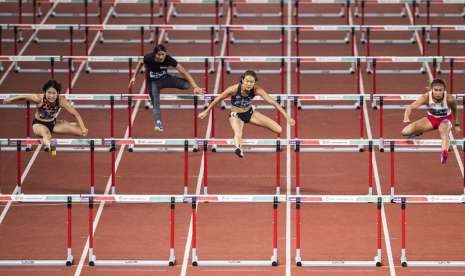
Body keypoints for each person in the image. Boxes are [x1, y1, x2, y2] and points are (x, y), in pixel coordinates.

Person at [198, 70, 295, 158]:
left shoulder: (257, 90)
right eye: (247, 81)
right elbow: (218, 99)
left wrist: (287, 117)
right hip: (236, 115)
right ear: (242, 80)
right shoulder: (234, 89)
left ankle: (240, 143)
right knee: (238, 132)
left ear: (254, 83)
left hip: (250, 113)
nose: (249, 84)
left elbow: (273, 102)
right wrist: (206, 111)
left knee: (279, 129)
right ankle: (238, 149)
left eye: (251, 82)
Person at [128, 44, 205, 132]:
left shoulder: (168, 59)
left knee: (187, 85)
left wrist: (195, 86)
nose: (161, 57)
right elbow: (140, 63)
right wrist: (134, 76)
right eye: (159, 54)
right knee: (155, 102)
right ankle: (158, 123)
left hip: (165, 79)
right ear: (155, 54)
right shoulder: (148, 58)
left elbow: (183, 71)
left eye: (163, 54)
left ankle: (175, 79)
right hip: (153, 83)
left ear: (165, 54)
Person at [3, 80, 88, 155]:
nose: (51, 96)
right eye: (49, 93)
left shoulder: (61, 100)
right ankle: (49, 146)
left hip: (53, 124)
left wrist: (83, 128)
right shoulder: (39, 98)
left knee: (81, 132)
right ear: (44, 92)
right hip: (38, 125)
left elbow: (75, 114)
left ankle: (66, 125)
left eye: (54, 93)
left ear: (58, 93)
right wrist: (10, 99)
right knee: (46, 134)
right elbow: (24, 96)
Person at [402, 78, 460, 164]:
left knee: (444, 133)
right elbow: (411, 106)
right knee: (405, 132)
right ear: (432, 90)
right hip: (430, 120)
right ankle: (418, 132)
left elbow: (455, 110)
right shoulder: (426, 97)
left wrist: (457, 124)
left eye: (440, 90)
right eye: (436, 90)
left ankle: (444, 152)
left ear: (444, 90)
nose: (438, 93)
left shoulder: (449, 99)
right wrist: (406, 116)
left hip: (445, 120)